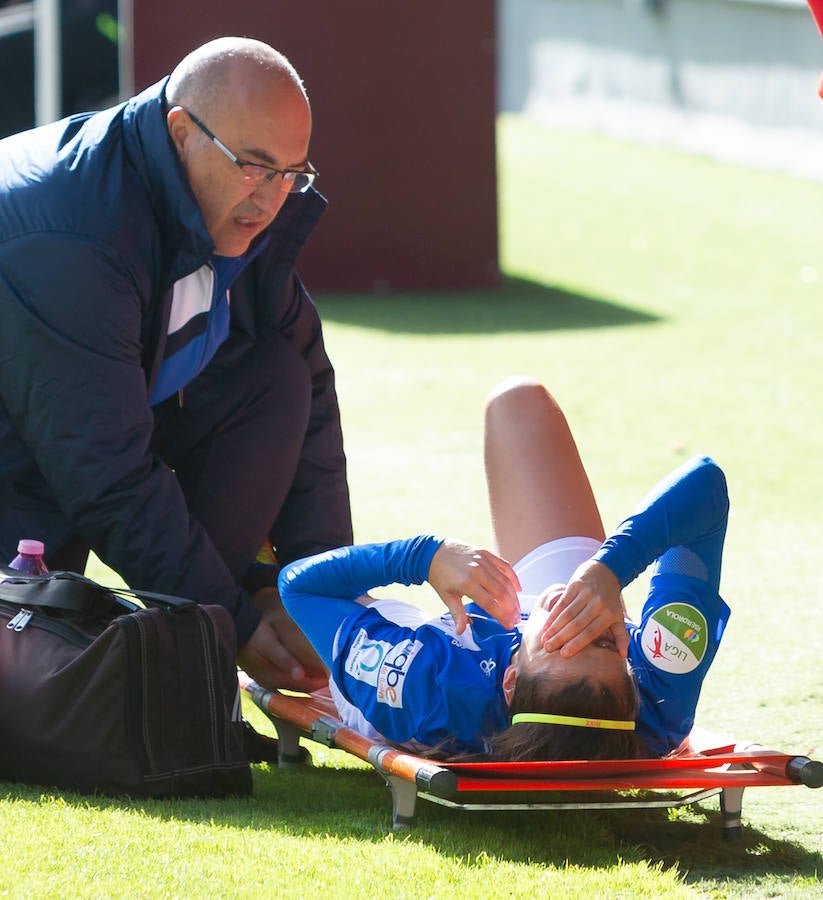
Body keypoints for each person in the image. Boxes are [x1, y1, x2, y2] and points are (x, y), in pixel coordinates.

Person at [0, 37, 352, 693]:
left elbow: (306, 382)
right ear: (181, 131)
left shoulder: (221, 199)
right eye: (253, 166)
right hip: (22, 472)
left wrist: (316, 596)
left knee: (273, 376)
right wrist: (236, 625)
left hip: (56, 446)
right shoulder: (69, 240)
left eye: (291, 173)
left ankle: (182, 668)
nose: (273, 197)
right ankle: (185, 665)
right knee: (27, 683)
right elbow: (104, 472)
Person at [278, 376, 731, 760]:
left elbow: (300, 586)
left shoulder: (428, 688)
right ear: (633, 681)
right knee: (519, 403)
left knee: (277, 626)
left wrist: (424, 556)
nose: (575, 621)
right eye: (608, 642)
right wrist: (610, 570)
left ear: (510, 681)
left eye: (563, 640)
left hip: (397, 671)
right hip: (537, 663)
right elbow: (706, 485)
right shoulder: (659, 697)